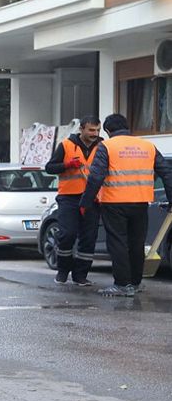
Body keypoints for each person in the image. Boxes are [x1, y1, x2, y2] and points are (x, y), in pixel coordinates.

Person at [80, 113, 172, 297]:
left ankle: (122, 284)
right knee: (137, 243)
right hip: (140, 202)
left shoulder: (106, 146)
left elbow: (96, 176)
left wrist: (85, 202)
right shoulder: (148, 146)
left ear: (107, 130)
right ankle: (135, 283)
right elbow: (167, 173)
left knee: (118, 242)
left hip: (114, 202)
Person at [44, 116, 103, 286]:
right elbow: (49, 168)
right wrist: (67, 164)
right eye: (91, 130)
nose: (95, 133)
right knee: (67, 234)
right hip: (69, 197)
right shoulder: (66, 145)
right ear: (82, 129)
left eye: (97, 130)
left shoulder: (102, 146)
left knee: (89, 238)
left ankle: (80, 275)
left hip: (92, 197)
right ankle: (63, 271)